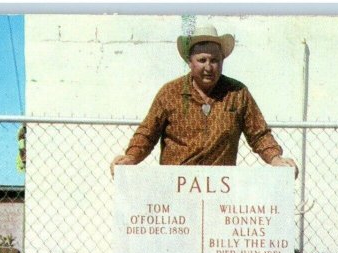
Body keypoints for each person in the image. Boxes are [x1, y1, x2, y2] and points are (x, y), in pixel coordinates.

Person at [111, 25, 297, 177]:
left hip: (221, 189)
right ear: (190, 62)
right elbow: (147, 133)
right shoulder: (169, 93)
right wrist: (131, 157)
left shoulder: (238, 93)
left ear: (222, 61)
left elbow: (259, 134)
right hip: (175, 187)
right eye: (202, 60)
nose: (208, 67)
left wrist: (276, 159)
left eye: (214, 60)